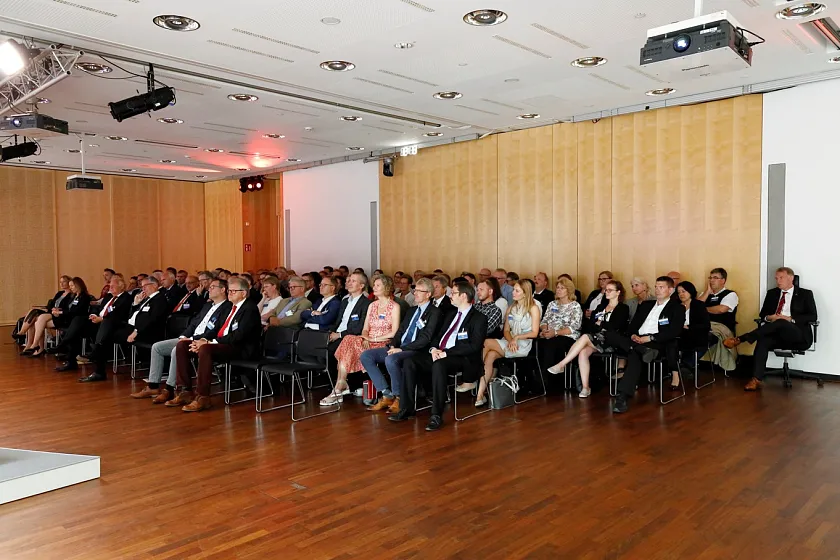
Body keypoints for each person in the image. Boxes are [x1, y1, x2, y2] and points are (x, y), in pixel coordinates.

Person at [391, 281, 488, 431]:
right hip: (440, 353)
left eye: (453, 293)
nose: (450, 295)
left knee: (439, 365)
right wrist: (433, 349)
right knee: (410, 361)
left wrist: (446, 353)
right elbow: (437, 337)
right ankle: (406, 408)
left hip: (462, 358)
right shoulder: (450, 314)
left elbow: (473, 346)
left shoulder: (479, 318)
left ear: (463, 296)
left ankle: (436, 414)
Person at [167, 277, 262, 412]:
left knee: (206, 349)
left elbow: (239, 335)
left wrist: (210, 342)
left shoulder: (249, 308)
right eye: (229, 291)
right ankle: (185, 391)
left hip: (240, 348)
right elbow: (216, 329)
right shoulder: (230, 307)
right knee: (183, 345)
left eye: (233, 291)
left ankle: (203, 397)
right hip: (224, 344)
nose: (230, 293)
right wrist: (202, 340)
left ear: (244, 293)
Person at [131, 279, 232, 401]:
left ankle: (169, 389)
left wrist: (192, 338)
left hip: (202, 341)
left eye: (212, 287)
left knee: (176, 349)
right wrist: (184, 336)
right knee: (157, 347)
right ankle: (153, 386)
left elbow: (215, 330)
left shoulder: (227, 307)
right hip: (189, 337)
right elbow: (193, 324)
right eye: (209, 287)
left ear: (222, 290)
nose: (209, 289)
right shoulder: (207, 305)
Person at [724, 267, 818, 391]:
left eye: (781, 278)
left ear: (791, 278)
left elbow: (813, 316)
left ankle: (742, 339)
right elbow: (763, 314)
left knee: (782, 322)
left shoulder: (805, 294)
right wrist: (769, 317)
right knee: (763, 341)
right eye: (776, 278)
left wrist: (790, 318)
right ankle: (756, 379)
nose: (778, 281)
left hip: (798, 335)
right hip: (777, 335)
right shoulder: (772, 293)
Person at [360, 278, 442, 414]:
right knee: (366, 356)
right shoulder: (412, 310)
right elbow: (400, 331)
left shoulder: (434, 312)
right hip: (399, 347)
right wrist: (393, 345)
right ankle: (386, 394)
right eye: (415, 290)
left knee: (391, 359)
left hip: (416, 349)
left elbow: (425, 338)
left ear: (428, 294)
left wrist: (401, 349)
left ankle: (399, 397)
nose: (415, 293)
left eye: (419, 291)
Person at [610, 277, 685, 413]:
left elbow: (674, 331)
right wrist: (633, 335)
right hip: (637, 341)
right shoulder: (646, 305)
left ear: (670, 290)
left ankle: (622, 398)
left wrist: (650, 338)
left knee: (634, 355)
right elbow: (632, 326)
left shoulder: (677, 308)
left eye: (661, 287)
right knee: (611, 334)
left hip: (655, 342)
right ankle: (639, 349)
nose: (657, 290)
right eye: (656, 287)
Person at [460, 280, 540, 407]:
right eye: (513, 290)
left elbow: (535, 332)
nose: (513, 293)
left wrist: (516, 338)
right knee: (490, 356)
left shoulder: (533, 308)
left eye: (517, 291)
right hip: (508, 341)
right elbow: (506, 330)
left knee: (486, 342)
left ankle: (470, 377)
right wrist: (511, 340)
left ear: (525, 293)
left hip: (523, 343)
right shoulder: (511, 308)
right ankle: (480, 395)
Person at [324, 275, 400, 406]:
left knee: (348, 344)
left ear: (386, 287)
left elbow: (394, 333)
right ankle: (341, 383)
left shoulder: (394, 306)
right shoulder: (372, 305)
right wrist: (366, 337)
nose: (374, 287)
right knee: (348, 339)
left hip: (384, 341)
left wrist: (373, 338)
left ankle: (340, 386)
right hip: (367, 339)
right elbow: (365, 328)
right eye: (374, 285)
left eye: (378, 285)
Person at [548, 280, 629, 398]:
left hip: (612, 341)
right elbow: (590, 324)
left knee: (585, 336)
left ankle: (562, 364)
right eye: (606, 290)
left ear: (618, 292)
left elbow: (616, 326)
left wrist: (600, 323)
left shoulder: (623, 308)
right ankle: (586, 387)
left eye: (610, 290)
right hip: (596, 339)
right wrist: (600, 325)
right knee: (583, 352)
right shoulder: (601, 307)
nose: (606, 292)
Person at [83, 276, 170, 383]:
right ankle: (98, 360)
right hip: (131, 327)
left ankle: (97, 360)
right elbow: (133, 315)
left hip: (145, 332)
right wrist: (136, 303)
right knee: (106, 332)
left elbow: (152, 320)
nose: (143, 289)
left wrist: (136, 331)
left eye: (145, 286)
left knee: (107, 330)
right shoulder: (146, 299)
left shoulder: (159, 300)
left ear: (155, 285)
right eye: (142, 286)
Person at [47, 275, 133, 374]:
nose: (110, 288)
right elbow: (99, 309)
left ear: (121, 286)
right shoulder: (109, 297)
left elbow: (119, 314)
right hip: (97, 322)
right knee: (78, 321)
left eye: (113, 286)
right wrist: (93, 315)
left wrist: (101, 319)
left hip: (112, 325)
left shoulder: (126, 297)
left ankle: (96, 366)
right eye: (110, 286)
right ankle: (70, 360)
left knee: (98, 325)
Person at [536, 277, 583, 383]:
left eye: (562, 288)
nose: (559, 290)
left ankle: (545, 380)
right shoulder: (552, 304)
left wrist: (556, 333)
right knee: (537, 344)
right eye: (557, 287)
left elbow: (574, 327)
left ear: (569, 290)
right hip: (550, 334)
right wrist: (545, 330)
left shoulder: (575, 306)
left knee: (552, 344)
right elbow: (544, 321)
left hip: (567, 337)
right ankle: (537, 378)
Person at [327, 272, 372, 373]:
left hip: (349, 337)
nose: (349, 283)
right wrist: (330, 332)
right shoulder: (345, 301)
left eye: (353, 281)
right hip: (336, 334)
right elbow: (338, 321)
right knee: (312, 345)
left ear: (361, 286)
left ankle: (337, 379)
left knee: (329, 350)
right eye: (349, 281)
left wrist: (339, 335)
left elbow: (359, 328)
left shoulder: (367, 304)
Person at [698, 267, 740, 371]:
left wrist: (703, 309)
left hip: (720, 326)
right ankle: (684, 364)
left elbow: (721, 309)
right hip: (702, 325)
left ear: (723, 280)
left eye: (715, 278)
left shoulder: (730, 294)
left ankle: (687, 364)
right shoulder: (704, 294)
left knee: (702, 337)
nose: (712, 280)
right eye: (710, 278)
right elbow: (695, 308)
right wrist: (707, 292)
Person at [20, 275, 73, 355]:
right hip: (52, 314)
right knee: (36, 319)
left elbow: (69, 308)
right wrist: (53, 308)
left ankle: (35, 345)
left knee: (39, 320)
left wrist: (58, 310)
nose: (61, 284)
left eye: (64, 282)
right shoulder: (59, 293)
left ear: (69, 282)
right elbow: (51, 304)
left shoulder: (72, 295)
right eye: (60, 282)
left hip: (61, 317)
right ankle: (32, 345)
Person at [676, 281, 711, 378]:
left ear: (690, 291)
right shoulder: (676, 306)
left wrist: (688, 327)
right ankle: (681, 366)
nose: (681, 294)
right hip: (678, 333)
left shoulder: (698, 305)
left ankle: (685, 364)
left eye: (683, 291)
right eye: (678, 292)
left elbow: (705, 325)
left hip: (694, 333)